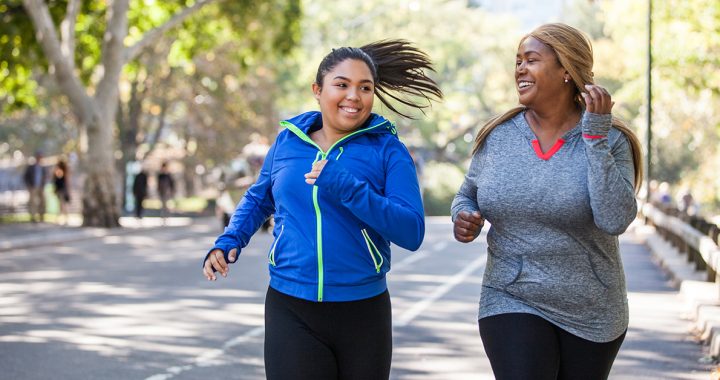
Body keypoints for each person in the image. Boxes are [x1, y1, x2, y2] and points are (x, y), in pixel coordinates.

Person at [202, 40, 442, 380]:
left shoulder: (388, 149)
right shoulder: (288, 141)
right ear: (318, 90)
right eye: (341, 85)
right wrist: (228, 241)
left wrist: (345, 186)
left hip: (363, 312)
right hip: (290, 305)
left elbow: (411, 230)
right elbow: (259, 198)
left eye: (365, 88)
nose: (353, 96)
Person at [451, 23, 643, 380]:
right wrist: (463, 215)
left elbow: (614, 219)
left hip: (592, 310)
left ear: (566, 71)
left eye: (532, 60)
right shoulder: (499, 136)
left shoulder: (609, 139)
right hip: (509, 296)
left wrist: (594, 138)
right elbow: (466, 194)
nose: (520, 69)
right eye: (518, 61)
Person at [23, 150, 48, 223]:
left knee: (43, 201)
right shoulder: (31, 167)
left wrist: (44, 184)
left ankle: (41, 216)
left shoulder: (43, 167)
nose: (40, 158)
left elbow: (46, 177)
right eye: (38, 156)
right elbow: (25, 177)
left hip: (41, 187)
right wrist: (29, 186)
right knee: (32, 202)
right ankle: (33, 216)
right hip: (33, 186)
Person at [52, 159, 71, 225]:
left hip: (61, 189)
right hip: (62, 189)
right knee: (62, 205)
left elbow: (59, 180)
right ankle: (62, 219)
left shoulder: (61, 171)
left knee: (62, 205)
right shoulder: (65, 171)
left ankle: (62, 219)